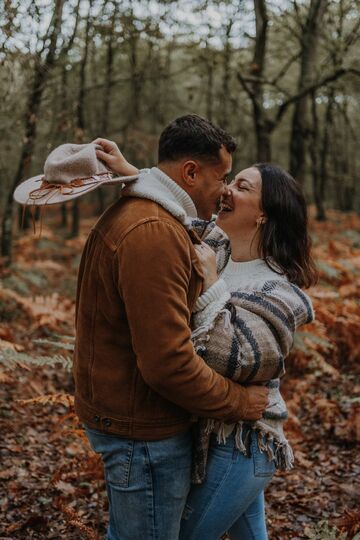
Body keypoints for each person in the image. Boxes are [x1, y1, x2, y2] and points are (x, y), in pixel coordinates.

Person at [73, 115, 269, 540]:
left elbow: (183, 216)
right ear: (191, 173)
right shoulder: (154, 233)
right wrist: (241, 402)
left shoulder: (151, 215)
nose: (224, 190)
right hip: (144, 432)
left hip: (133, 419)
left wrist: (134, 174)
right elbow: (168, 364)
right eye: (222, 177)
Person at [176, 163, 317, 539]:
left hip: (243, 444)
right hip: (212, 429)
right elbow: (170, 209)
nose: (226, 189)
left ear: (262, 214)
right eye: (230, 179)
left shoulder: (278, 291)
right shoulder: (216, 247)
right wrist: (129, 170)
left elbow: (234, 357)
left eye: (242, 186)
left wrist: (208, 281)